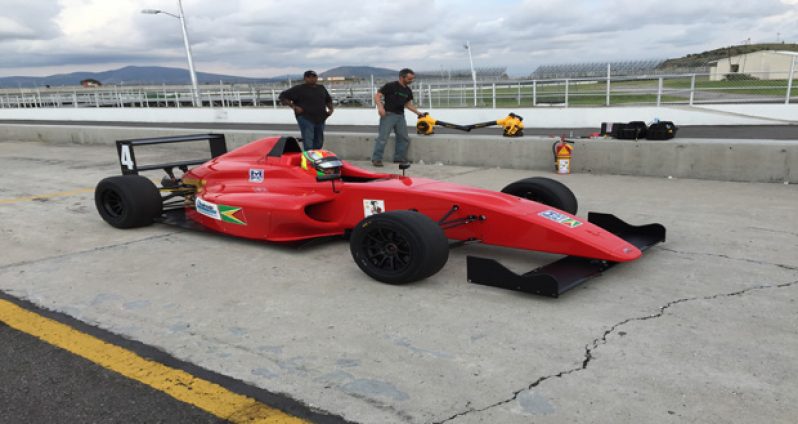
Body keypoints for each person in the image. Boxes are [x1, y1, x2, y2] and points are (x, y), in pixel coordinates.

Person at [371, 68, 423, 167]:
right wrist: (380, 108)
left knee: (404, 138)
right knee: (382, 138)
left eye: (412, 79)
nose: (411, 81)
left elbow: (408, 104)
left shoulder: (407, 90)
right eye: (409, 79)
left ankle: (399, 158)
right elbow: (377, 96)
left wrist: (418, 113)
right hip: (388, 115)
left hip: (400, 116)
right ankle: (376, 159)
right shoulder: (390, 86)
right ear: (401, 77)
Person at [279, 70, 334, 150]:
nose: (312, 79)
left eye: (314, 77)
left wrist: (331, 109)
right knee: (308, 141)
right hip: (305, 117)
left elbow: (328, 100)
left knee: (319, 141)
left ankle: (316, 158)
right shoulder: (299, 88)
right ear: (305, 78)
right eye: (309, 77)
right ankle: (308, 159)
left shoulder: (321, 88)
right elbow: (282, 96)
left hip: (321, 118)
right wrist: (294, 106)